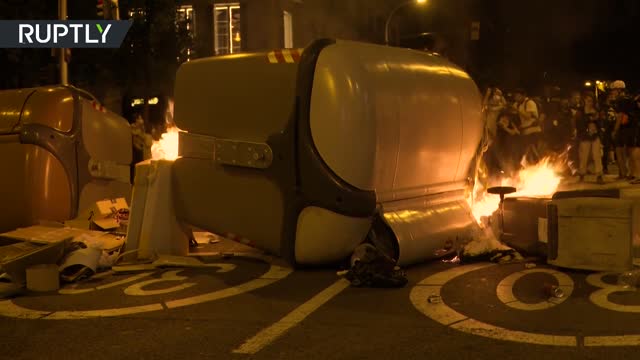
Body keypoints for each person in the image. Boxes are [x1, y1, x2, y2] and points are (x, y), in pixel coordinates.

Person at [575, 107, 604, 184]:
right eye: (588, 100)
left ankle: (599, 175)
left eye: (591, 101)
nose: (590, 103)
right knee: (583, 156)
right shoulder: (580, 112)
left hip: (595, 136)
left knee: (597, 156)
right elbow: (578, 124)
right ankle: (582, 174)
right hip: (584, 137)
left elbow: (600, 123)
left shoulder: (596, 111)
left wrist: (596, 120)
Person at [513, 88, 542, 163]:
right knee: (525, 151)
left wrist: (517, 110)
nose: (516, 98)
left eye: (518, 96)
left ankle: (538, 164)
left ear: (523, 96)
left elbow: (528, 116)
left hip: (533, 131)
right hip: (525, 131)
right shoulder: (517, 104)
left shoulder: (529, 103)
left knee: (531, 150)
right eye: (515, 96)